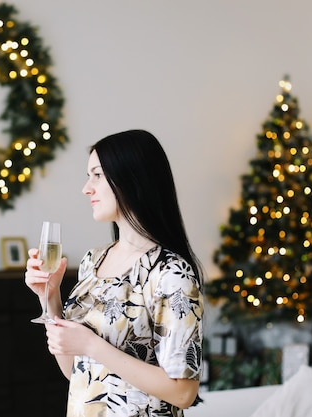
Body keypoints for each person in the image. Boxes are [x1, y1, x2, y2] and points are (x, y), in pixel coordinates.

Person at [25, 129, 205, 417]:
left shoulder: (171, 273)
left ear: (131, 178)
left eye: (97, 175)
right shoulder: (92, 261)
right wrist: (49, 295)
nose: (86, 188)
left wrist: (92, 345)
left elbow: (184, 392)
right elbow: (75, 371)